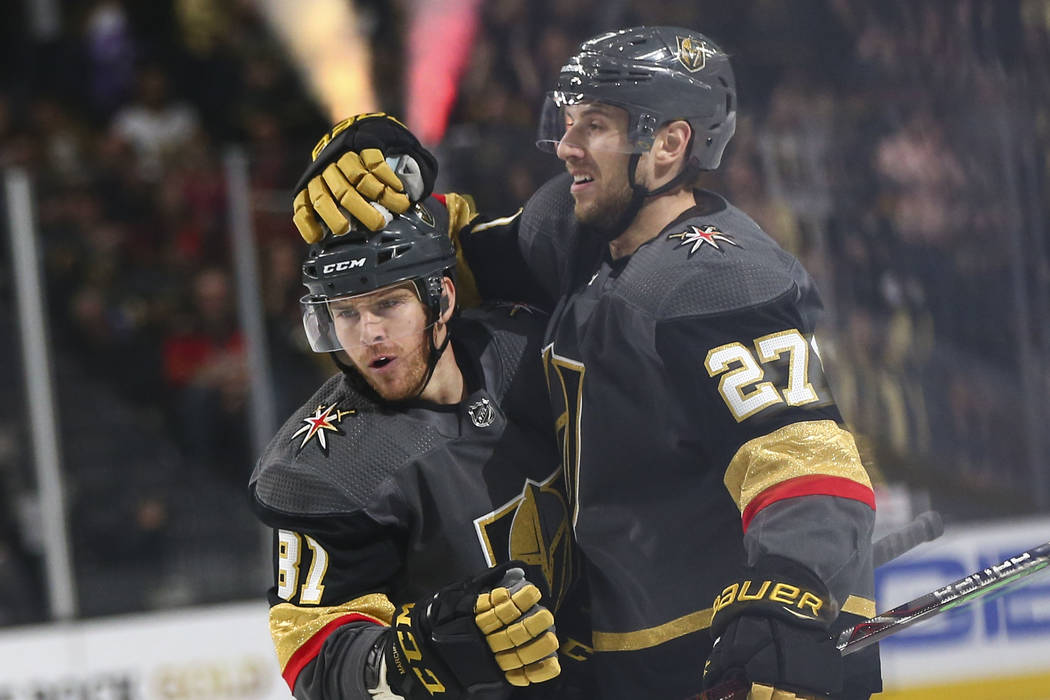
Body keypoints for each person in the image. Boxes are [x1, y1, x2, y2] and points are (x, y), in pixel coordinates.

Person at [292, 27, 881, 700]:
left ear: (669, 144)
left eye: (594, 126)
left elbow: (807, 461)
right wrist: (382, 187)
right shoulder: (579, 233)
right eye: (568, 122)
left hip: (735, 660)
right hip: (632, 662)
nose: (567, 145)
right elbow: (444, 269)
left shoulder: (715, 278)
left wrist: (792, 590)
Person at [249, 196, 578, 700]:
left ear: (442, 299)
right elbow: (313, 661)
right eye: (346, 313)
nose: (369, 334)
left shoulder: (525, 347)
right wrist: (410, 654)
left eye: (388, 303)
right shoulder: (324, 469)